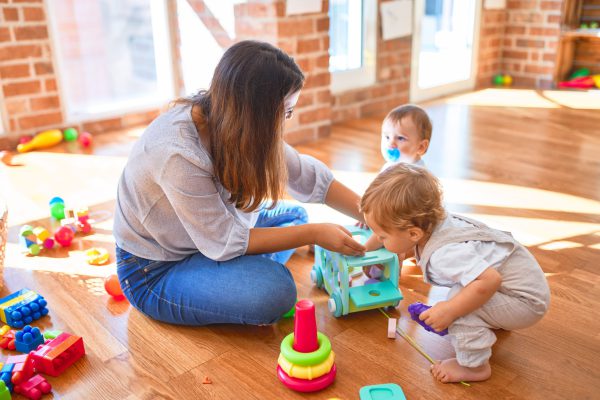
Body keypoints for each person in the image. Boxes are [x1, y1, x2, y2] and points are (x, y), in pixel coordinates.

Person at [113, 40, 366, 326]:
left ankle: (240, 269)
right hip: (155, 270)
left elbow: (307, 176)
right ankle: (242, 271)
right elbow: (223, 241)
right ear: (255, 113)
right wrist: (314, 234)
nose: (286, 121)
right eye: (285, 112)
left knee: (295, 216)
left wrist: (371, 215)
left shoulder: (230, 119)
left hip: (209, 236)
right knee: (275, 292)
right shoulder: (177, 154)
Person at [359, 163, 550, 383]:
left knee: (459, 305)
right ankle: (489, 319)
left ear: (413, 233)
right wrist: (365, 248)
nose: (378, 240)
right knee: (465, 294)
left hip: (526, 302)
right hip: (520, 287)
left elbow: (490, 280)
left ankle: (474, 366)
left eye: (382, 237)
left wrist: (450, 310)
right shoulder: (433, 223)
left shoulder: (444, 254)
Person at [380, 104, 432, 170]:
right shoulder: (389, 165)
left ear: (421, 147)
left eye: (400, 138)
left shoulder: (418, 176)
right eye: (387, 137)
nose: (391, 144)